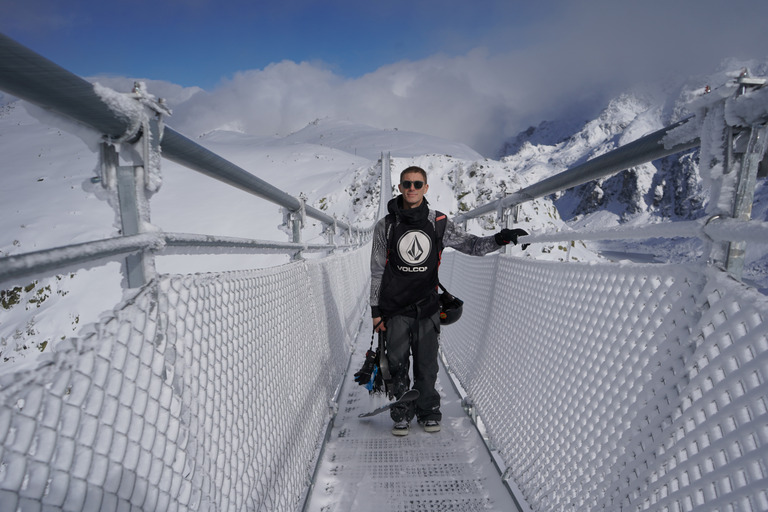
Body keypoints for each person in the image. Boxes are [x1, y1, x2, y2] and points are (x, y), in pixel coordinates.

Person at [370, 165, 528, 436]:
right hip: (394, 308)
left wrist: (501, 238)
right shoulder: (385, 226)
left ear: (426, 188)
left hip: (427, 305)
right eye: (407, 184)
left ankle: (429, 411)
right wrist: (375, 311)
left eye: (417, 184)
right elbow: (376, 271)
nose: (411, 189)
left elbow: (472, 246)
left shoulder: (438, 222)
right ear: (399, 187)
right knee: (396, 363)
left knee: (427, 363)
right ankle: (402, 413)